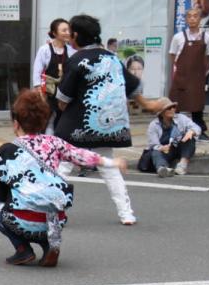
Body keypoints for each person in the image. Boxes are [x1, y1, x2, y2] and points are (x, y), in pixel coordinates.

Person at [0, 90, 125, 268]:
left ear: (16, 124)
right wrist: (110, 162)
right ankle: (49, 246)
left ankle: (23, 249)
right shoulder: (54, 143)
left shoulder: (7, 150)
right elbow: (82, 155)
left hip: (23, 219)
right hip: (55, 220)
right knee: (47, 206)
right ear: (43, 120)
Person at [54, 14, 166, 225]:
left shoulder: (76, 60)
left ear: (76, 35)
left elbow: (62, 98)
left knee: (63, 166)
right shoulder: (113, 58)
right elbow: (133, 88)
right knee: (110, 168)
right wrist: (149, 105)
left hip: (80, 124)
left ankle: (54, 211)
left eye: (71, 32)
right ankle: (126, 213)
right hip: (111, 126)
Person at [169, 7, 209, 140]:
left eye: (195, 16)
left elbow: (207, 57)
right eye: (189, 16)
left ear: (200, 19)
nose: (192, 19)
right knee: (176, 103)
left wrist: (202, 72)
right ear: (186, 19)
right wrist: (180, 70)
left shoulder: (207, 37)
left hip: (197, 77)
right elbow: (172, 55)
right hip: (181, 76)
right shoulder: (178, 37)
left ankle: (199, 130)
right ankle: (173, 129)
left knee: (197, 104)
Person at [139, 100, 201, 177]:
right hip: (165, 150)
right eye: (169, 108)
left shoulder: (181, 118)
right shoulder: (154, 125)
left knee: (189, 138)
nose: (172, 109)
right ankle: (163, 169)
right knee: (155, 151)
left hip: (178, 147)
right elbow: (153, 145)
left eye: (173, 107)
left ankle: (182, 165)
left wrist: (191, 131)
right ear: (161, 112)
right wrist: (162, 148)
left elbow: (197, 128)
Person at [31, 18, 75, 103]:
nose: (68, 33)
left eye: (69, 30)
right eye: (64, 30)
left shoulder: (71, 50)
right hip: (48, 93)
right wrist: (38, 88)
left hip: (65, 93)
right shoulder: (45, 49)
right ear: (54, 33)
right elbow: (37, 71)